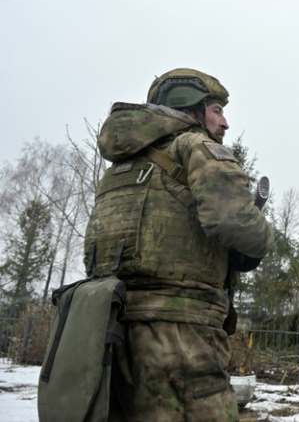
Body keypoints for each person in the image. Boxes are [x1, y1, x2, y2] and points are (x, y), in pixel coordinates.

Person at [83, 68, 274, 422]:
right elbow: (237, 224)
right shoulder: (195, 146)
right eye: (216, 110)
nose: (225, 122)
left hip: (108, 332)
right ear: (190, 108)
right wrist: (262, 232)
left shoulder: (121, 167)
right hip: (181, 339)